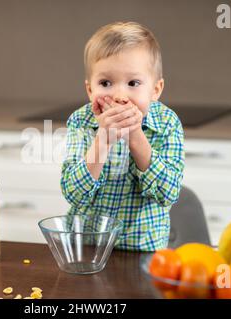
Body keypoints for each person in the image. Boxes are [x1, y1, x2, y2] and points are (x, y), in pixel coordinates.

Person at [60, 21, 185, 251]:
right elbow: (74, 194)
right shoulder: (80, 121)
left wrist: (135, 137)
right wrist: (103, 140)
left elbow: (169, 193)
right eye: (105, 83)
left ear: (155, 90)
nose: (119, 95)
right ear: (90, 90)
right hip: (88, 248)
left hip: (142, 251)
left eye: (133, 83)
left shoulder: (167, 123)